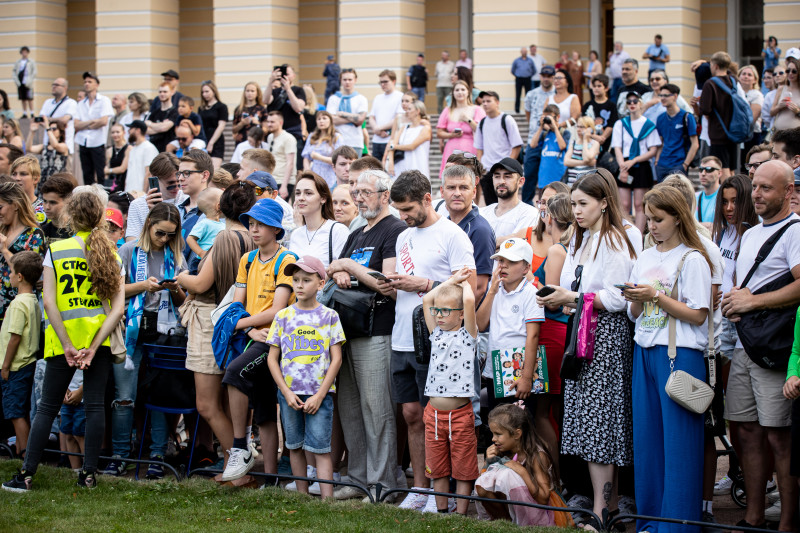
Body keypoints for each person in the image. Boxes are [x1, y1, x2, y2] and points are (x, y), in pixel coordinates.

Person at [1, 190, 124, 493]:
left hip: (61, 341)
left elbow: (50, 304)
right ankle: (89, 475)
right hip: (99, 341)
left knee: (46, 408)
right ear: (99, 218)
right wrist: (94, 346)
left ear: (70, 217)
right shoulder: (111, 253)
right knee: (95, 408)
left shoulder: (56, 251)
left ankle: (27, 474)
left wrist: (68, 343)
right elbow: (117, 308)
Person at [537, 170, 638, 530]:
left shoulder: (616, 238)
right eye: (574, 204)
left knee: (601, 426)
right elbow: (576, 287)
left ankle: (602, 510)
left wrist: (574, 298)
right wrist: (566, 300)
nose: (576, 211)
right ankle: (605, 506)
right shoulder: (586, 238)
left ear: (604, 202)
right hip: (583, 332)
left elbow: (619, 295)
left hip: (605, 337)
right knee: (588, 424)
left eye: (583, 204)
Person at [381, 170, 476, 511]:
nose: (403, 217)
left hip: (436, 341)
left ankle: (442, 492)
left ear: (425, 199)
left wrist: (423, 285)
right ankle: (419, 488)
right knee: (409, 413)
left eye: (407, 209)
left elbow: (469, 288)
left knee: (433, 417)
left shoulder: (453, 235)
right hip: (401, 336)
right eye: (398, 210)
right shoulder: (403, 236)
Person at [623, 185, 713, 533]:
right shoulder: (645, 257)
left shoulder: (693, 258)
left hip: (680, 355)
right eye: (649, 219)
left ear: (678, 218)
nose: (652, 226)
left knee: (679, 446)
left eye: (659, 219)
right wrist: (635, 297)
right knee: (647, 443)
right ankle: (649, 523)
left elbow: (697, 315)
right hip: (644, 349)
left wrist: (655, 297)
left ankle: (677, 526)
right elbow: (635, 314)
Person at [721, 160, 800, 532]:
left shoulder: (796, 230)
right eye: (756, 187)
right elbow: (747, 285)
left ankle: (787, 522)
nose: (758, 195)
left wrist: (753, 303)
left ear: (788, 191)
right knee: (745, 430)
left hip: (776, 349)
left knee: (779, 437)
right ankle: (753, 516)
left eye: (767, 188)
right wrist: (735, 301)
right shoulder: (750, 234)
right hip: (745, 344)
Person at [325, 168, 406, 500]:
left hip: (378, 329)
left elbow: (389, 285)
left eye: (364, 193)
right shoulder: (357, 232)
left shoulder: (395, 229)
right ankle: (356, 478)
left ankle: (384, 482)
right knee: (350, 408)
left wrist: (352, 268)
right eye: (355, 193)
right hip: (347, 328)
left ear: (385, 195)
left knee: (378, 409)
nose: (358, 199)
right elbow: (332, 267)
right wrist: (341, 269)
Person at [176, 183, 256, 473]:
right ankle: (233, 461)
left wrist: (182, 276)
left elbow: (201, 284)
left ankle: (238, 462)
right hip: (240, 320)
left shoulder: (225, 238)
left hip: (212, 320)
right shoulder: (255, 237)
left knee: (207, 404)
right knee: (228, 399)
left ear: (220, 209)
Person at [219, 198, 296, 482]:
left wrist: (239, 324)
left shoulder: (286, 260)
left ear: (276, 229)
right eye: (251, 223)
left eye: (261, 224)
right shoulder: (247, 259)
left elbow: (278, 310)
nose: (254, 229)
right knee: (264, 408)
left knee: (233, 373)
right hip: (256, 337)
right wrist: (249, 329)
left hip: (277, 340)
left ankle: (240, 446)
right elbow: (238, 306)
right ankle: (271, 478)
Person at [108, 203, 187, 478]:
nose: (164, 239)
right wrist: (143, 286)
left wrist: (175, 288)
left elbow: (183, 302)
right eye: (160, 233)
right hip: (131, 329)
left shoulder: (175, 255)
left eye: (170, 235)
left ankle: (157, 453)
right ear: (148, 224)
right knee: (125, 396)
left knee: (158, 395)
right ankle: (120, 454)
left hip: (163, 331)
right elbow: (113, 292)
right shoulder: (127, 251)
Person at [266, 255, 344, 499]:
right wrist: (286, 392)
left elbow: (337, 358)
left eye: (306, 280)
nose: (299, 285)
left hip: (319, 395)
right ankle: (301, 496)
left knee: (321, 448)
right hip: (289, 394)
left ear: (321, 284)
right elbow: (272, 358)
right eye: (296, 280)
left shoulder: (329, 316)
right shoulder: (282, 317)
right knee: (294, 446)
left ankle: (326, 500)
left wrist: (321, 395)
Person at [708, 173, 759, 505]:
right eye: (724, 201)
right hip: (720, 325)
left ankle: (748, 476)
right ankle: (738, 472)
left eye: (735, 201)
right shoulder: (722, 234)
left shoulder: (752, 236)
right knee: (727, 411)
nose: (729, 208)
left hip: (742, 327)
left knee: (743, 417)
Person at [419, 268, 478, 514]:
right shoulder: (436, 335)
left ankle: (461, 513)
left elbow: (469, 300)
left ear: (462, 315)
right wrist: (450, 281)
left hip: (460, 416)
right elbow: (426, 300)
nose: (439, 315)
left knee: (463, 465)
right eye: (438, 311)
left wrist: (463, 283)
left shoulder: (468, 336)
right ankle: (443, 511)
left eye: (446, 311)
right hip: (433, 414)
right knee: (438, 465)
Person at [477, 236, 544, 408]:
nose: (503, 265)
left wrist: (527, 377)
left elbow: (533, 336)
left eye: (511, 261)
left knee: (518, 425)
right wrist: (491, 292)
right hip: (496, 371)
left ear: (526, 268)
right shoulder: (496, 289)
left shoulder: (530, 293)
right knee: (497, 421)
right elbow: (480, 325)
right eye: (500, 260)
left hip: (520, 371)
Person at [475, 403, 568, 527]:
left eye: (498, 434)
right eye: (493, 434)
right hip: (511, 511)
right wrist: (488, 463)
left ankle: (516, 525)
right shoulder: (504, 452)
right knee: (482, 486)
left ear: (517, 434)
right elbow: (484, 486)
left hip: (540, 514)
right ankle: (506, 524)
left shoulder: (537, 456)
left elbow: (543, 499)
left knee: (507, 474)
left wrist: (522, 472)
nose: (493, 439)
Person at [0, 251, 42, 458]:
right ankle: (22, 450)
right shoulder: (33, 300)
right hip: (28, 363)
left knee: (15, 413)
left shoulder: (17, 303)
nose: (8, 275)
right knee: (21, 411)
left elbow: (15, 337)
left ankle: (25, 456)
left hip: (16, 366)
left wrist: (5, 366)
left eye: (10, 272)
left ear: (20, 277)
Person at [439, 164, 495, 298]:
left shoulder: (480, 230)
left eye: (463, 187)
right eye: (451, 187)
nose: (457, 193)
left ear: (474, 192)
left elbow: (480, 288)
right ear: (442, 191)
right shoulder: (443, 225)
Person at [612, 91, 661, 232]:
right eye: (629, 102)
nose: (632, 104)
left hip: (641, 164)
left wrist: (633, 161)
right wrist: (623, 166)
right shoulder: (620, 124)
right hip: (625, 165)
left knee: (640, 204)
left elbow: (652, 150)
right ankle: (626, 232)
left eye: (635, 101)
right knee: (624, 203)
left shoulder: (648, 125)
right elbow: (617, 147)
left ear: (641, 103)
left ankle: (638, 235)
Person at [288, 172, 349, 269]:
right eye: (298, 193)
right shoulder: (296, 234)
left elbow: (343, 270)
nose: (301, 198)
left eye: (308, 193)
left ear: (323, 198)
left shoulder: (338, 230)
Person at [474, 91, 524, 205]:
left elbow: (516, 146)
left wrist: (508, 166)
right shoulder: (482, 123)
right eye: (483, 101)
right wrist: (480, 166)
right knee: (490, 205)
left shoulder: (507, 119)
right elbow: (479, 148)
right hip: (487, 171)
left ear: (497, 102)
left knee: (506, 203)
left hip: (504, 170)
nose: (485, 104)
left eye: (488, 101)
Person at [699, 52, 742, 178]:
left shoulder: (710, 84)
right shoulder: (733, 81)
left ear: (716, 66)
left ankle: (728, 196)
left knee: (722, 168)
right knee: (732, 168)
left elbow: (705, 110)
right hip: (733, 130)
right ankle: (734, 195)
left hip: (718, 132)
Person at [480, 158, 539, 250]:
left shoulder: (529, 213)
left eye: (507, 176)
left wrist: (484, 246)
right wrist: (501, 241)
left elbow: (515, 249)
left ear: (521, 181)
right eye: (497, 176)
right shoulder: (482, 212)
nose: (501, 181)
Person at [124, 153, 183, 242]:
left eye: (179, 182)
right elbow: (131, 242)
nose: (176, 187)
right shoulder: (138, 205)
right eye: (170, 183)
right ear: (154, 179)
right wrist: (153, 215)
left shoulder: (186, 199)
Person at [522, 65, 557, 203]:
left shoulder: (556, 94)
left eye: (549, 76)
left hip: (551, 141)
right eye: (544, 76)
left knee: (550, 177)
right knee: (529, 176)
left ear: (553, 77)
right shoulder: (532, 94)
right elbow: (528, 114)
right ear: (540, 76)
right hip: (534, 139)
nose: (546, 79)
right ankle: (527, 206)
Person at [437, 80, 485, 177]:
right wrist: (451, 134)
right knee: (450, 177)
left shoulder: (477, 109)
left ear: (468, 92)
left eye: (463, 89)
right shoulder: (448, 110)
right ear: (453, 93)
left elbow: (481, 130)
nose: (460, 92)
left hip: (470, 148)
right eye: (457, 90)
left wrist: (468, 119)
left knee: (471, 178)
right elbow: (439, 132)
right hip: (451, 149)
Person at [654, 83, 699, 181]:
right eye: (661, 95)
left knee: (678, 195)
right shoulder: (660, 118)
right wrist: (657, 161)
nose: (662, 98)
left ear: (675, 96)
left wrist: (685, 164)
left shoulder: (687, 117)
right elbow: (660, 142)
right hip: (662, 165)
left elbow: (695, 144)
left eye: (666, 95)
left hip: (679, 164)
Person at [265, 64, 307, 166]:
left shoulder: (298, 90)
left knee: (295, 165)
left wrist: (288, 89)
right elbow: (265, 100)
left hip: (293, 133)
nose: (284, 76)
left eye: (287, 74)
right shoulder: (275, 92)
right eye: (282, 74)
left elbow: (298, 108)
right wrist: (270, 81)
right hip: (275, 134)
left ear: (293, 76)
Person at [386, 100, 431, 179]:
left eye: (410, 109)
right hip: (401, 166)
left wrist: (394, 146)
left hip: (418, 166)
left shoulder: (425, 128)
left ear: (417, 111)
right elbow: (392, 144)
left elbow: (412, 146)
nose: (407, 111)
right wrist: (391, 162)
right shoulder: (404, 127)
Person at [326, 69, 368, 154]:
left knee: (355, 167)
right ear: (340, 80)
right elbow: (332, 120)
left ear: (355, 80)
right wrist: (354, 118)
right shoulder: (333, 98)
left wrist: (342, 114)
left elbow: (360, 120)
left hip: (355, 141)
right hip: (337, 141)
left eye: (350, 79)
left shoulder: (361, 99)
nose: (347, 82)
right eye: (344, 79)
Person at [530, 105, 569, 191]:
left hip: (559, 177)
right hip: (544, 178)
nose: (548, 119)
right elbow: (532, 145)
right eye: (545, 117)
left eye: (550, 116)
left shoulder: (564, 132)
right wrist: (541, 127)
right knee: (543, 202)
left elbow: (562, 146)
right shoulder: (544, 134)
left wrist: (555, 127)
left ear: (558, 117)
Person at [38, 78, 77, 161]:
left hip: (64, 146)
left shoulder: (71, 103)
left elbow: (64, 120)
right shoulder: (47, 102)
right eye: (53, 85)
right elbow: (41, 121)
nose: (53, 87)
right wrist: (56, 120)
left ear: (65, 87)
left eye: (57, 85)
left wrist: (48, 120)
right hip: (47, 145)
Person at [369, 70, 404, 162]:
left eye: (385, 81)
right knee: (376, 171)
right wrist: (376, 129)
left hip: (390, 140)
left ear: (393, 81)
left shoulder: (400, 97)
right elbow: (371, 117)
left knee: (390, 170)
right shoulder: (378, 98)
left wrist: (379, 128)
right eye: (381, 82)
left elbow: (398, 118)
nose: (382, 84)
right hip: (377, 140)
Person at [302, 110, 342, 191]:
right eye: (319, 119)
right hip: (314, 173)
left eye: (324, 118)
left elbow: (338, 160)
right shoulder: (312, 136)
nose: (321, 121)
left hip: (329, 175)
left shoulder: (336, 137)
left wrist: (319, 157)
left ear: (330, 120)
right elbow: (306, 157)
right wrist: (308, 172)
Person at [582, 74, 618, 159]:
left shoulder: (612, 106)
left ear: (606, 88)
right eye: (594, 86)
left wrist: (603, 138)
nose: (596, 88)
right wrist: (596, 137)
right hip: (589, 145)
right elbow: (583, 126)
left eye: (599, 86)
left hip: (606, 146)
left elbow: (611, 125)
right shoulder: (588, 106)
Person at [25, 117, 69, 183]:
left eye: (54, 129)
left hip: (57, 182)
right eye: (50, 129)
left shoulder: (63, 146)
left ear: (60, 132)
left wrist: (47, 127)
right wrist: (32, 132)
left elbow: (55, 145)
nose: (51, 131)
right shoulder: (44, 147)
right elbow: (28, 148)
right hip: (43, 182)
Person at [265, 111, 297, 200]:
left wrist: (284, 186)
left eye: (272, 122)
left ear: (281, 123)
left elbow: (290, 163)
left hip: (284, 181)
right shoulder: (270, 137)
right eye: (268, 122)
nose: (269, 124)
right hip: (272, 180)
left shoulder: (288, 138)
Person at [40, 173, 77, 250]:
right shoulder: (42, 231)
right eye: (45, 201)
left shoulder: (78, 231)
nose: (47, 207)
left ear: (68, 202)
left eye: (53, 202)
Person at [186, 187, 224, 260]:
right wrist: (201, 253)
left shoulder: (222, 224)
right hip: (202, 261)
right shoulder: (204, 223)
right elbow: (190, 239)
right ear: (218, 206)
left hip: (216, 261)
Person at [739, 65, 765, 167]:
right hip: (735, 134)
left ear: (755, 80)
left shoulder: (756, 95)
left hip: (752, 134)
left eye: (749, 75)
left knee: (749, 164)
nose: (746, 76)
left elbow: (752, 118)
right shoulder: (735, 93)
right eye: (743, 74)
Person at [198, 81, 228, 169]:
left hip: (216, 140)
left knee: (214, 169)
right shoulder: (201, 108)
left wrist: (211, 142)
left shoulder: (221, 107)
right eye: (203, 92)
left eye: (207, 91)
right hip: (203, 139)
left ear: (213, 91)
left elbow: (221, 126)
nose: (205, 94)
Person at [124, 120, 159, 193]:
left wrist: (144, 193)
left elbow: (149, 172)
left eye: (131, 129)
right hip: (130, 192)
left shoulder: (149, 148)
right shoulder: (133, 149)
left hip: (140, 193)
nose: (129, 131)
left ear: (138, 130)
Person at [564, 116, 599, 184]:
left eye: (582, 127)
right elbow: (566, 161)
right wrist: (584, 163)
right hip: (571, 183)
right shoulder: (574, 142)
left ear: (590, 128)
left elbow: (586, 158)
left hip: (586, 184)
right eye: (578, 126)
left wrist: (585, 140)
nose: (578, 130)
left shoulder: (594, 143)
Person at [145, 83, 179, 153]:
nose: (162, 94)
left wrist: (150, 124)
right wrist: (161, 126)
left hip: (168, 151)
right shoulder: (154, 112)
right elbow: (145, 130)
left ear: (172, 92)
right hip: (154, 149)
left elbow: (164, 128)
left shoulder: (175, 112)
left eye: (165, 92)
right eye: (160, 92)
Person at [770, 57, 800, 132]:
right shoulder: (781, 89)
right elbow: (771, 112)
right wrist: (779, 106)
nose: (790, 73)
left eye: (794, 71)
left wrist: (798, 112)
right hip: (779, 134)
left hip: (796, 135)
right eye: (788, 70)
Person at [696, 156, 722, 229]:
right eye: (700, 169)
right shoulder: (694, 197)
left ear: (719, 173)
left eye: (709, 170)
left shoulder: (725, 196)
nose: (703, 173)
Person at [104, 124, 130, 191]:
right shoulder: (109, 150)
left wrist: (109, 171)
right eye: (113, 132)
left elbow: (122, 168)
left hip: (125, 181)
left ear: (124, 133)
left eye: (118, 132)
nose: (115, 135)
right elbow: (106, 169)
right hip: (112, 183)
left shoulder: (129, 148)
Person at [12, 46, 36, 118]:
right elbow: (14, 71)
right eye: (23, 52)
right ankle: (25, 113)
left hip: (28, 83)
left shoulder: (31, 62)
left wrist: (30, 80)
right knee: (23, 98)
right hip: (20, 82)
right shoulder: (18, 62)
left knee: (30, 98)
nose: (24, 53)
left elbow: (34, 72)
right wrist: (17, 81)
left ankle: (32, 112)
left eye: (25, 52)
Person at [512, 47, 536, 114]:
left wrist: (529, 75)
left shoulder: (530, 60)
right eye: (523, 51)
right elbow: (512, 70)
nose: (524, 52)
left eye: (525, 51)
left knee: (528, 95)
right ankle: (517, 110)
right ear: (521, 52)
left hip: (527, 79)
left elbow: (534, 70)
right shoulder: (516, 60)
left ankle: (527, 109)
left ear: (527, 52)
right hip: (519, 79)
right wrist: (517, 75)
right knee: (518, 94)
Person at [762, 66, 785, 133]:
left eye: (781, 73)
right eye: (775, 74)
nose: (777, 75)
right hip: (775, 131)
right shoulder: (769, 95)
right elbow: (766, 116)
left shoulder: (793, 91)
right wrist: (772, 125)